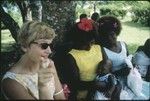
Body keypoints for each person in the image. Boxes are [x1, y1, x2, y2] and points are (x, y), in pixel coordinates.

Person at [1, 21, 65, 100]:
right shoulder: (11, 83)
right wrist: (43, 88)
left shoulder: (48, 64)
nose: (49, 51)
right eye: (44, 45)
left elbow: (60, 97)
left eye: (51, 45)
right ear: (25, 46)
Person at [97, 16, 146, 100]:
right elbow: (106, 72)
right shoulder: (103, 49)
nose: (110, 38)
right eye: (106, 36)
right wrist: (120, 72)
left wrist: (131, 66)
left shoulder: (123, 44)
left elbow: (129, 59)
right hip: (114, 82)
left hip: (129, 78)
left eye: (112, 34)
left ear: (116, 33)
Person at [62, 18, 107, 100]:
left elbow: (107, 63)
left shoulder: (99, 48)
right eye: (84, 44)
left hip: (102, 94)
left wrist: (104, 63)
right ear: (76, 41)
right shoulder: (72, 56)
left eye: (92, 42)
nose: (89, 47)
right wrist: (94, 84)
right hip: (83, 96)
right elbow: (74, 84)